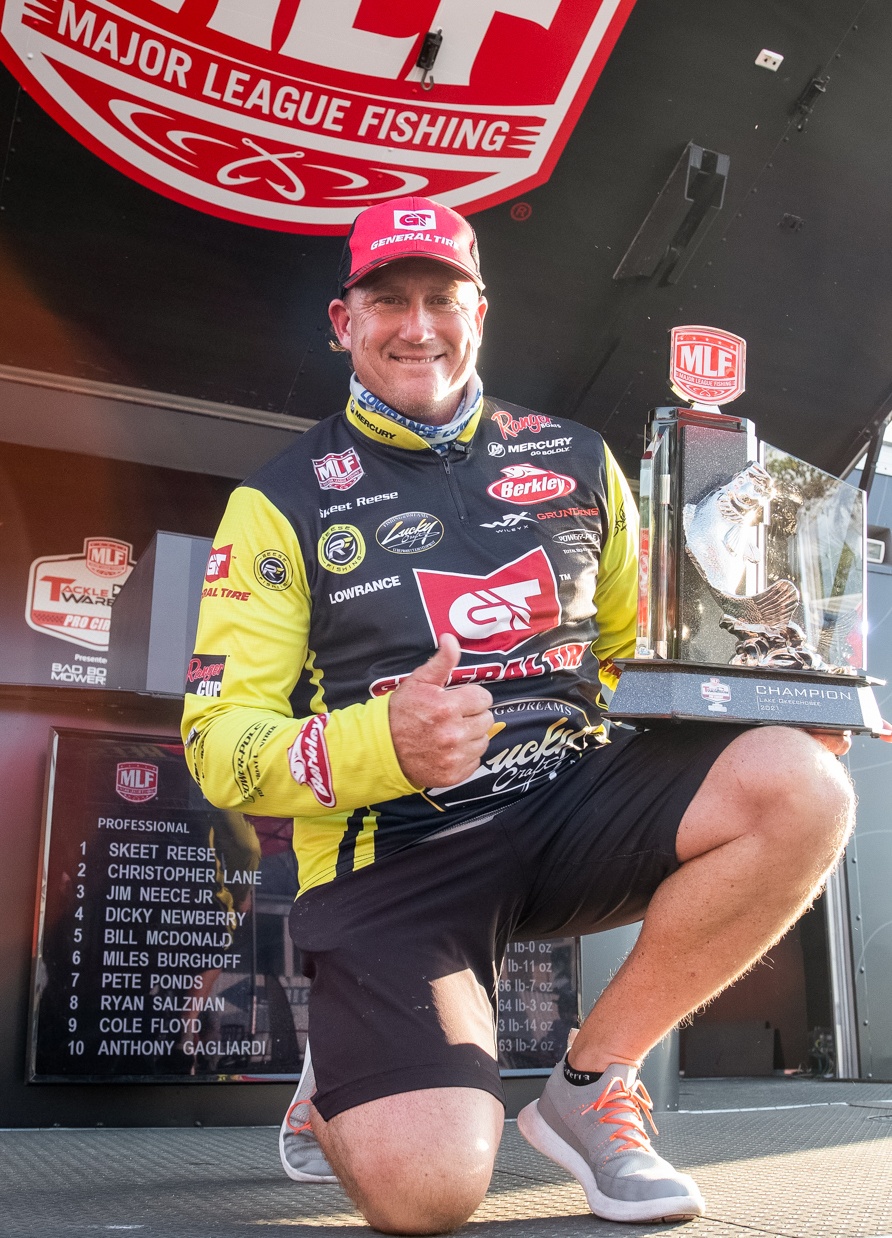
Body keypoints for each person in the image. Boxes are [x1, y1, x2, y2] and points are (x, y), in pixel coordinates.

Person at [181, 195, 855, 1233]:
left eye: (441, 298)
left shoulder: (580, 459)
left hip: (569, 805)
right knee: (426, 1194)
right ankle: (352, 1055)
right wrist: (382, 740)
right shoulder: (279, 501)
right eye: (388, 300)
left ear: (479, 314)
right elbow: (217, 744)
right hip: (393, 851)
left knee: (801, 785)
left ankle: (591, 1084)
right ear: (343, 322)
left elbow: (634, 661)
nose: (417, 325)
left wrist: (767, 704)